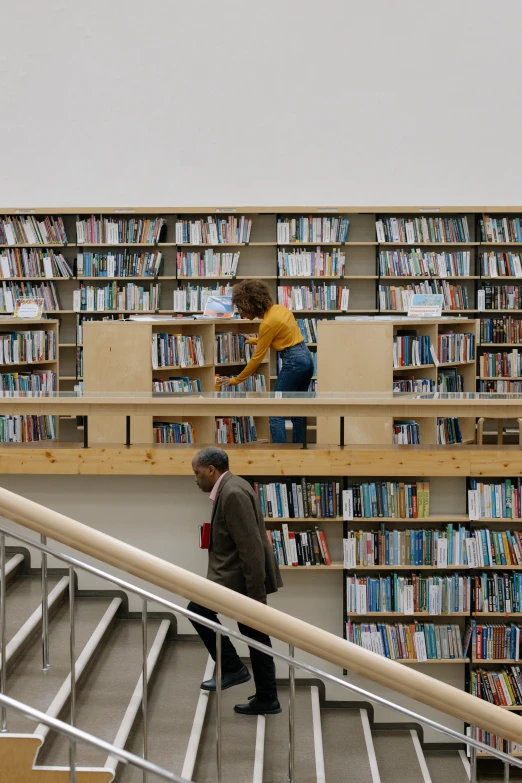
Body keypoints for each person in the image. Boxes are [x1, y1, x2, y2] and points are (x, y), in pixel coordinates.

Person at [188, 446, 283, 715]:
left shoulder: (232, 493)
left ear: (210, 470)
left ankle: (232, 668)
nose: (195, 478)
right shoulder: (233, 486)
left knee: (197, 610)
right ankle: (267, 697)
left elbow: (251, 547)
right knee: (255, 635)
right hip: (237, 577)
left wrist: (256, 596)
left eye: (197, 473)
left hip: (238, 580)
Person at [217, 279, 314, 444]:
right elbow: (282, 336)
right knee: (298, 409)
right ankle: (299, 450)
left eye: (241, 308)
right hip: (306, 358)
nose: (241, 314)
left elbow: (257, 359)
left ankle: (279, 454)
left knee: (275, 410)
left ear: (251, 304)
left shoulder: (267, 323)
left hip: (293, 363)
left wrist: (236, 380)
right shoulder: (279, 310)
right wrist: (255, 341)